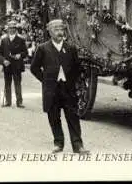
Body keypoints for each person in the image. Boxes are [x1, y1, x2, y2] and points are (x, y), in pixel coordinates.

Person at [30, 19, 89, 154]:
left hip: (68, 89)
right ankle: (58, 143)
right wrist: (46, 80)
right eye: (56, 30)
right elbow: (34, 68)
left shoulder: (71, 48)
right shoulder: (43, 48)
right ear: (50, 32)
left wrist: (71, 81)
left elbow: (77, 68)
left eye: (61, 29)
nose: (59, 32)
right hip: (51, 90)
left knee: (73, 117)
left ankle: (78, 145)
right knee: (54, 117)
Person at [0, 20, 28, 108]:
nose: (11, 30)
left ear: (16, 29)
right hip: (7, 66)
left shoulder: (21, 39)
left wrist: (20, 55)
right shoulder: (4, 40)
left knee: (17, 83)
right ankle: (8, 101)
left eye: (13, 28)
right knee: (7, 83)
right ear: (7, 29)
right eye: (10, 28)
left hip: (17, 65)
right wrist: (3, 61)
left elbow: (25, 52)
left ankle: (19, 102)